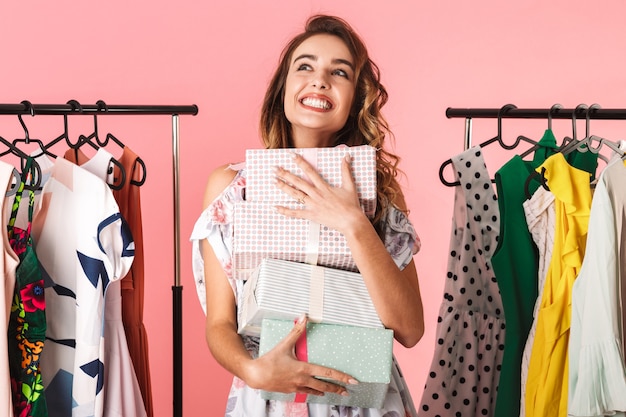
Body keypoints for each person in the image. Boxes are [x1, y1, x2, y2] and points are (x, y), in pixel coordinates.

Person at [190, 14, 425, 417]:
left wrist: (353, 223)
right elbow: (219, 325)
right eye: (305, 66)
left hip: (364, 396)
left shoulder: (380, 192)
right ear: (283, 87)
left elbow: (409, 329)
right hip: (267, 395)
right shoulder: (232, 187)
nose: (320, 81)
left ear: (355, 99)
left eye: (340, 72)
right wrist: (254, 371)